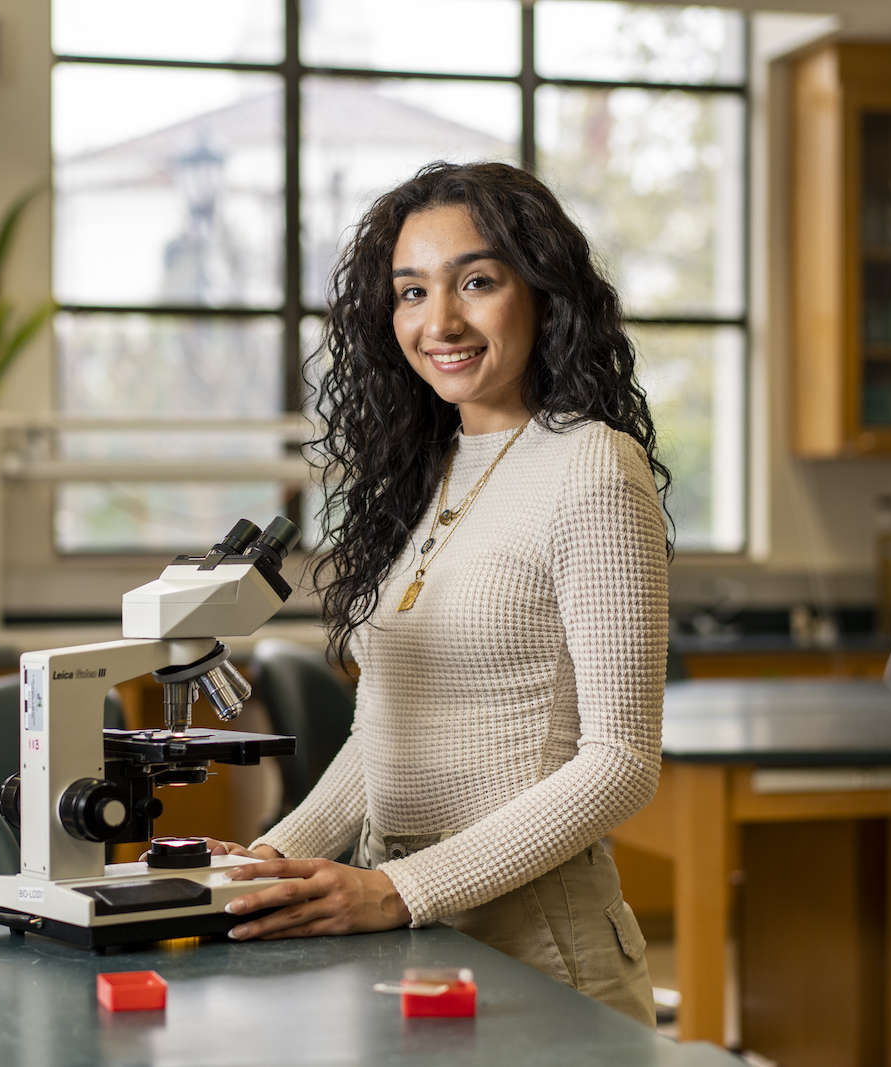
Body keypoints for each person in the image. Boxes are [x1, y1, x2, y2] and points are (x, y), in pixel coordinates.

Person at [209, 160, 671, 1023]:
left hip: (542, 950)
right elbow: (381, 734)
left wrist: (394, 889)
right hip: (409, 936)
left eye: (478, 282)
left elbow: (620, 763)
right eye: (412, 291)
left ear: (543, 293)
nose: (441, 320)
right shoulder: (429, 471)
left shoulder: (594, 468)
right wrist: (267, 862)